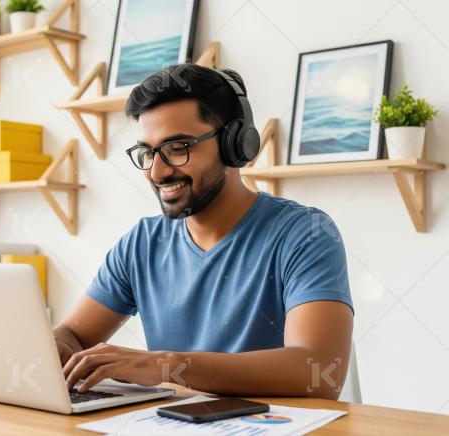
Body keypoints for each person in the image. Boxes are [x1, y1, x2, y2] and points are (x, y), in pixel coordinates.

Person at [55, 64, 353, 400]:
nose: (157, 171)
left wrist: (167, 366)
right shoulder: (142, 243)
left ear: (234, 144)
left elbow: (318, 372)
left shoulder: (305, 234)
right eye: (148, 152)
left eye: (178, 149)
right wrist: (55, 346)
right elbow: (73, 335)